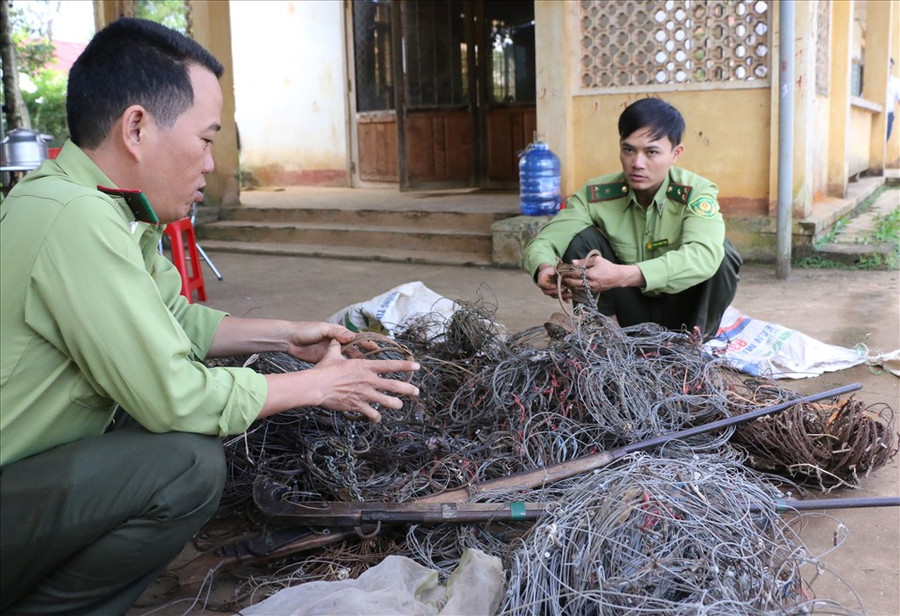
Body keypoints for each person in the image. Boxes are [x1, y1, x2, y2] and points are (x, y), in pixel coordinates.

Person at [0, 18, 420, 615]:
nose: (210, 163)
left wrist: (286, 337)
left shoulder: (99, 207)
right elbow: (172, 395)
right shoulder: (76, 219)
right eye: (205, 139)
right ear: (137, 128)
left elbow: (169, 318)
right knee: (186, 466)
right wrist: (318, 386)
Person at [523, 97, 742, 339]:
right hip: (625, 312)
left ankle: (694, 343)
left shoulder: (696, 192)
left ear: (676, 153)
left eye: (651, 152)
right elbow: (545, 241)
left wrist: (623, 274)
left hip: (683, 311)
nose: (637, 163)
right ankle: (605, 337)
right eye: (628, 150)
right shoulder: (597, 195)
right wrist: (543, 268)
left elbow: (704, 255)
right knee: (580, 239)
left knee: (722, 253)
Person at [887, 57, 899, 141]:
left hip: (889, 115)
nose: (889, 69)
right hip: (875, 114)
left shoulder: (896, 82)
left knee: (885, 140)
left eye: (890, 67)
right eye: (887, 66)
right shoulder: (874, 79)